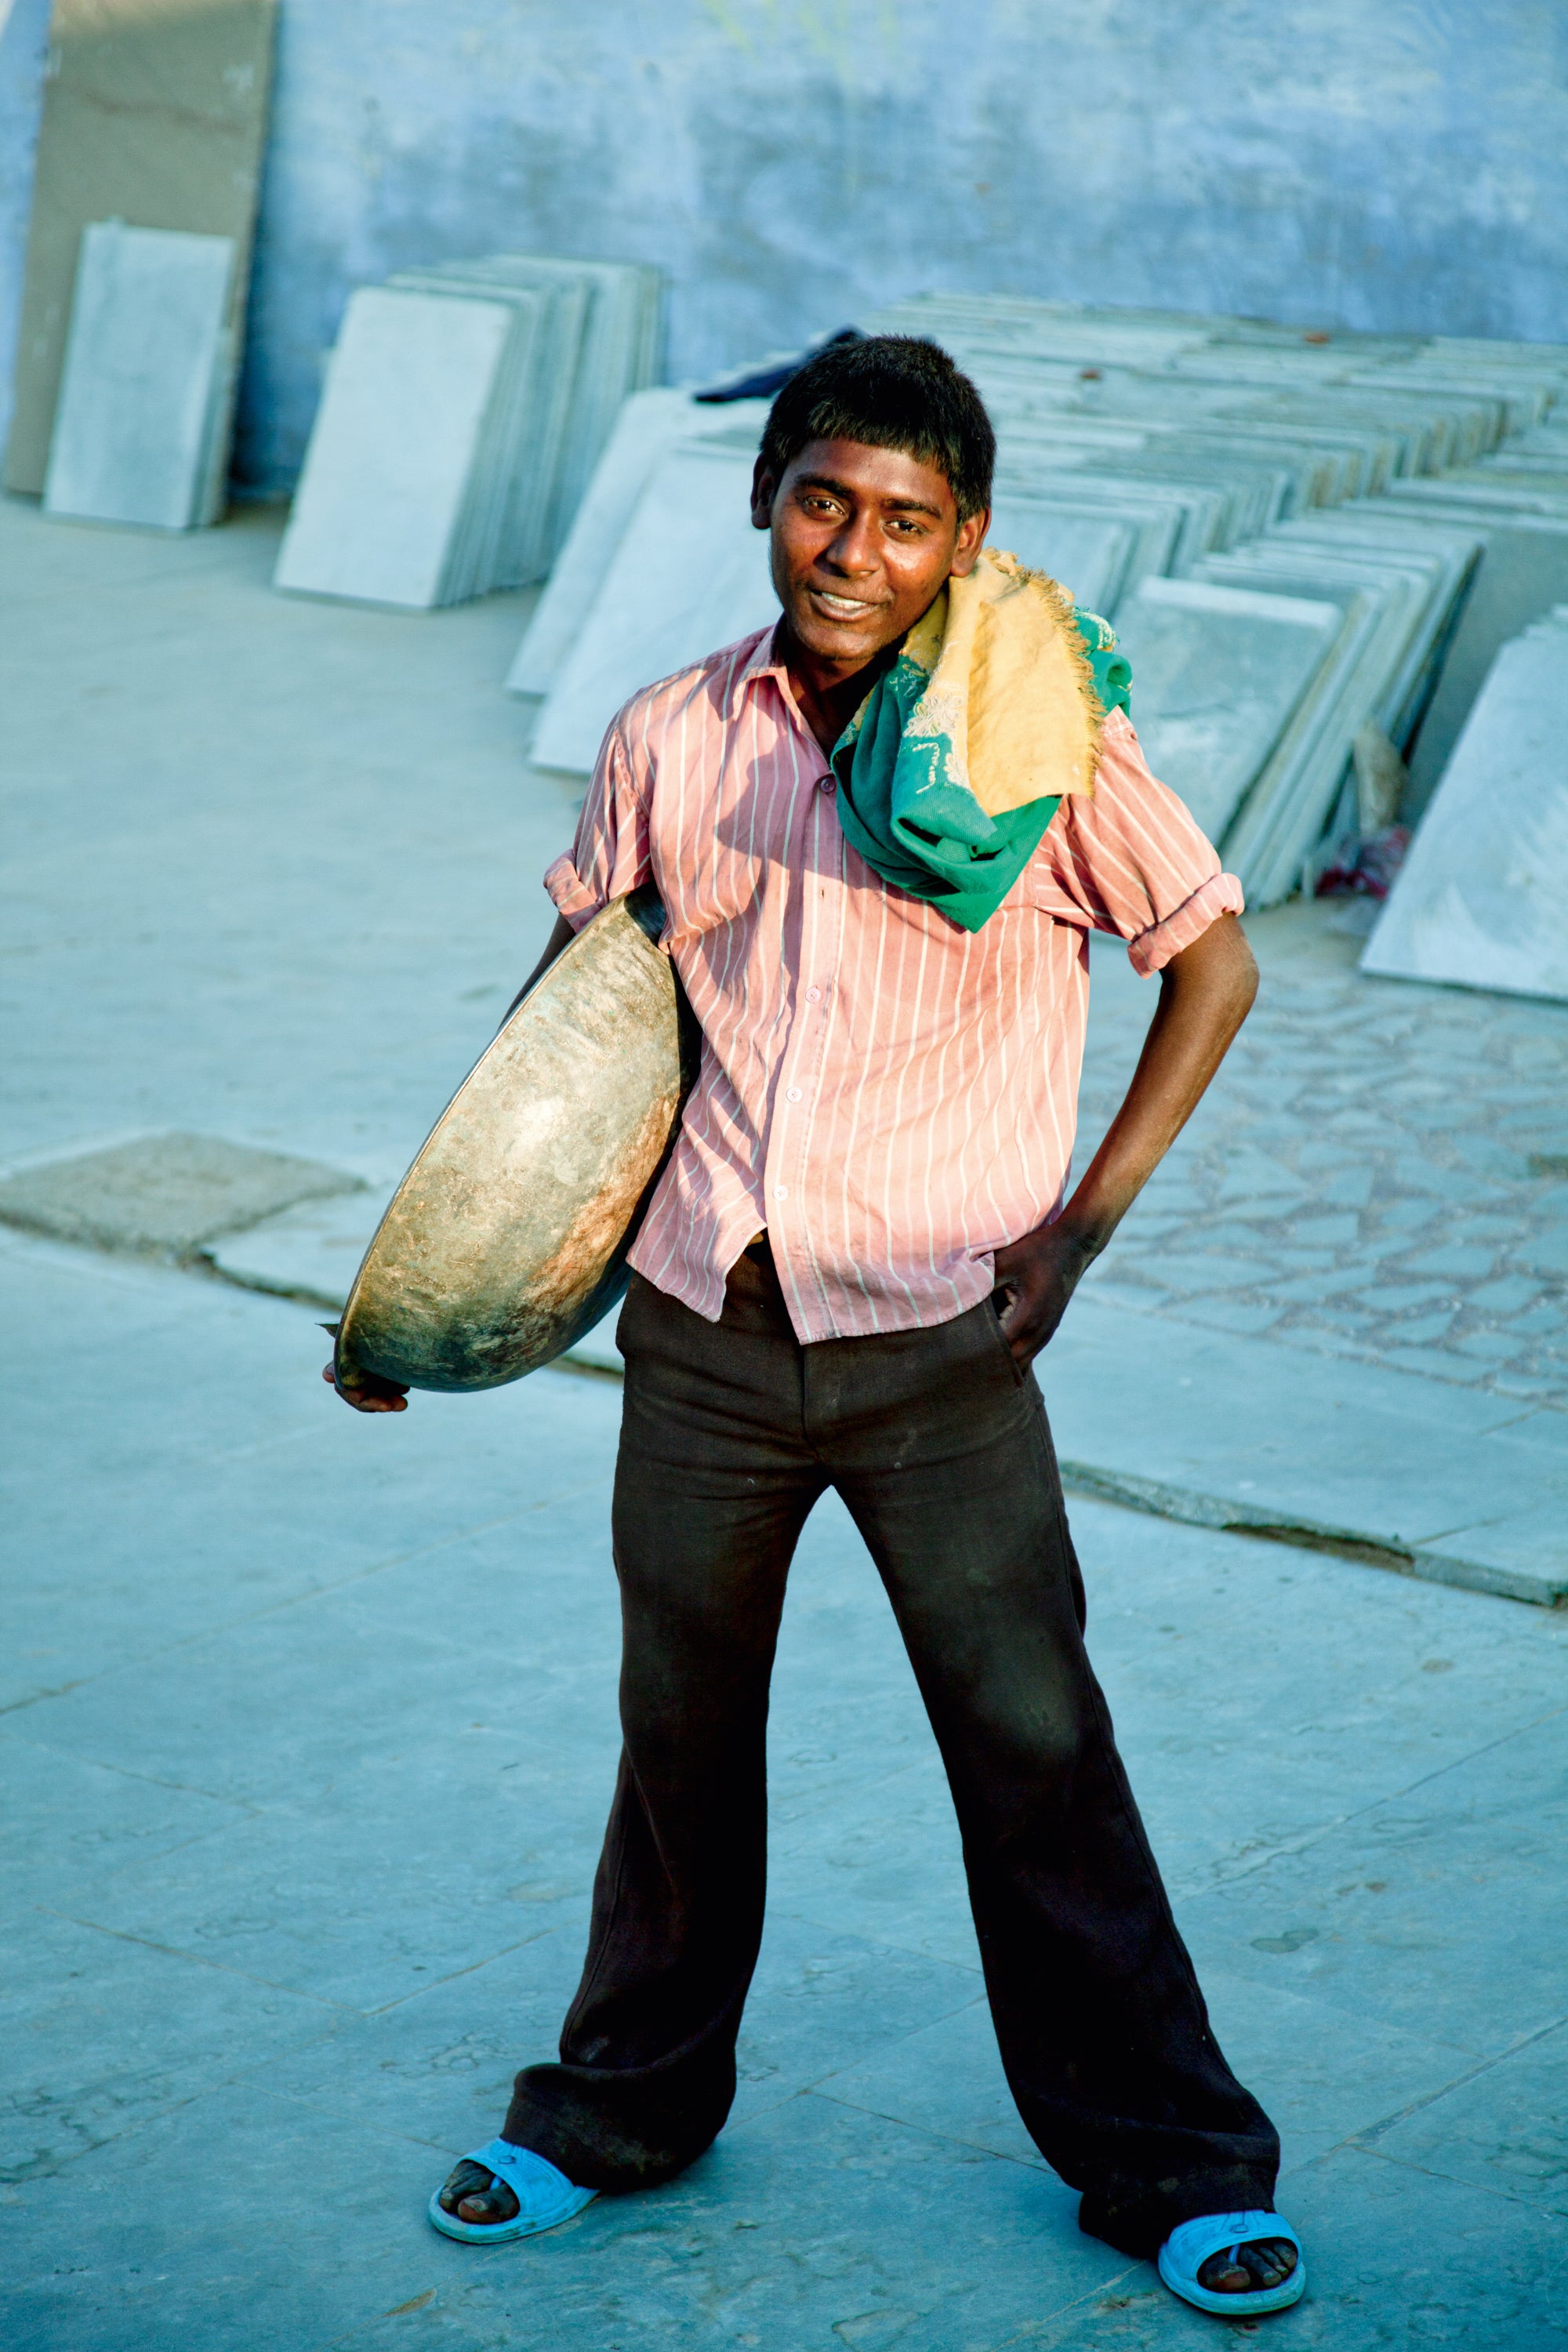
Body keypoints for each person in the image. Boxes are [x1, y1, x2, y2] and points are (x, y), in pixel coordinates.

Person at [328, 336, 1304, 2321]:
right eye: (821, 502)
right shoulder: (673, 736)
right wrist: (438, 1289)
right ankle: (618, 2111)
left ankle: (1171, 2160)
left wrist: (1080, 1234)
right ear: (768, 498)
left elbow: (1211, 965)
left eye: (906, 520)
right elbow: (572, 1030)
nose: (853, 550)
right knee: (676, 1747)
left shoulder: (1036, 752)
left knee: (1034, 1750)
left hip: (943, 1350)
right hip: (702, 1341)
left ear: (968, 542)